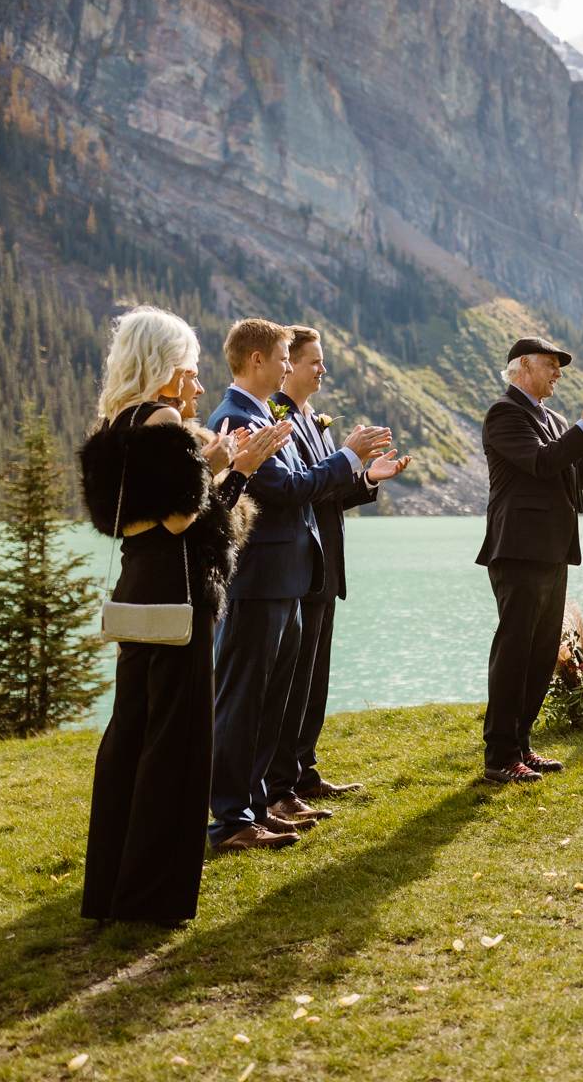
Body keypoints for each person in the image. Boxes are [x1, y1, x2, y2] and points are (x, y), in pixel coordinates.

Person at [78, 306, 291, 922]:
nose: (197, 384)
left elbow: (132, 525)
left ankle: (111, 887)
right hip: (180, 593)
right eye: (191, 370)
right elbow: (181, 520)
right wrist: (224, 465)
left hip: (137, 585)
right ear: (168, 369)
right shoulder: (167, 425)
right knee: (175, 741)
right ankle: (153, 894)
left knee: (129, 735)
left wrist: (231, 473)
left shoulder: (112, 427)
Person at [205, 320, 391, 852]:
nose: (289, 368)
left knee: (269, 703)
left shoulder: (266, 414)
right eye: (285, 357)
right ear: (258, 359)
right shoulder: (235, 418)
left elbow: (302, 488)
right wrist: (350, 456)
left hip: (287, 579)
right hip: (258, 582)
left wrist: (356, 470)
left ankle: (258, 804)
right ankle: (230, 819)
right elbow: (286, 489)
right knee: (242, 701)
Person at [264, 326, 413, 821]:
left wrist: (368, 478)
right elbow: (302, 487)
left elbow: (328, 491)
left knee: (315, 678)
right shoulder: (278, 416)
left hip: (325, 567)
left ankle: (304, 769)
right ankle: (279, 786)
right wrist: (347, 462)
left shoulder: (314, 420)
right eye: (313, 362)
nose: (321, 370)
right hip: (299, 567)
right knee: (292, 681)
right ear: (289, 367)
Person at [476, 337, 583, 784]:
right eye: (551, 365)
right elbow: (542, 463)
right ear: (523, 366)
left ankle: (522, 745)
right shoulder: (504, 413)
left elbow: (574, 476)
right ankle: (499, 756)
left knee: (541, 652)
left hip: (552, 549)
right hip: (518, 548)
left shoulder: (554, 418)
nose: (558, 374)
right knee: (514, 650)